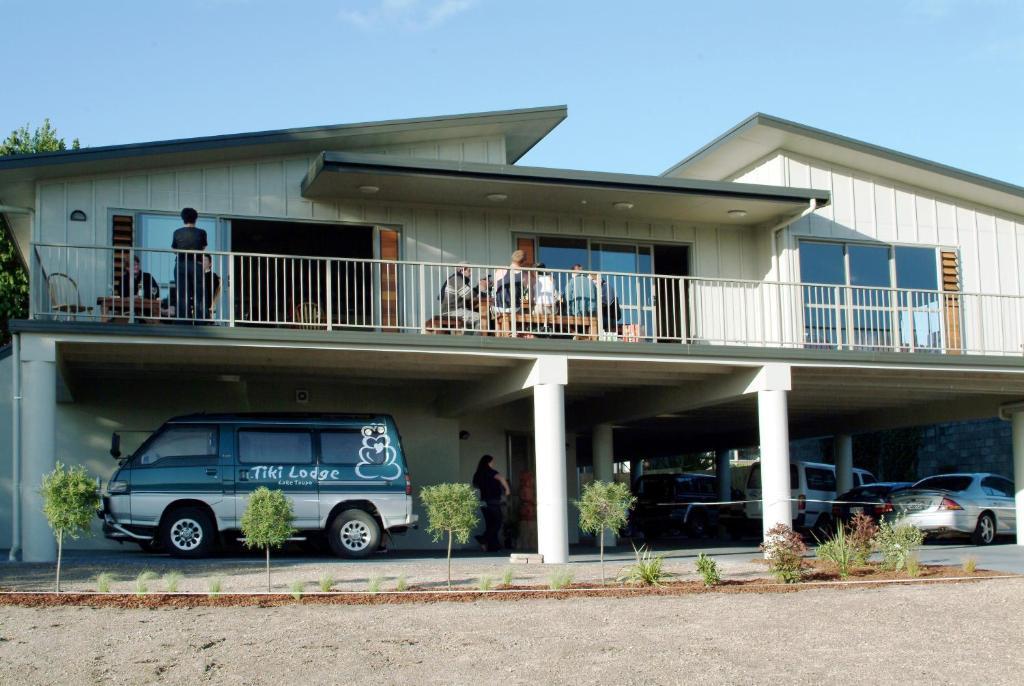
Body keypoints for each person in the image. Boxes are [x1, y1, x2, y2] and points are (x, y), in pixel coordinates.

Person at [171, 207, 208, 319]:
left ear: (183, 218)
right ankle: (200, 319)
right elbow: (203, 248)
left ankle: (183, 319)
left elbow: (174, 250)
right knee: (199, 292)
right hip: (196, 264)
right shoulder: (201, 232)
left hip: (181, 264)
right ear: (195, 218)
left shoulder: (177, 232)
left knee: (182, 293)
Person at [472, 454, 510, 552]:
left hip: (483, 502)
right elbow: (501, 479)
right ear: (488, 462)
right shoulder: (491, 472)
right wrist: (507, 490)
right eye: (492, 462)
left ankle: (492, 547)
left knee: (490, 524)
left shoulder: (478, 474)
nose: (493, 464)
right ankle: (483, 538)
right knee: (497, 523)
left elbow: (475, 486)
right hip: (493, 501)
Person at [439, 263, 482, 330]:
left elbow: (468, 295)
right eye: (469, 271)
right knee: (480, 317)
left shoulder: (458, 279)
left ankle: (468, 338)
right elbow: (468, 295)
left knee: (471, 319)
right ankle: (474, 339)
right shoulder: (456, 279)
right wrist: (479, 288)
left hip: (453, 310)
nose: (470, 274)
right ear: (462, 270)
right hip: (451, 311)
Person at [198, 254, 221, 321]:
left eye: (205, 260)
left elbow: (216, 292)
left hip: (208, 303)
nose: (203, 262)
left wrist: (213, 304)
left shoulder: (213, 276)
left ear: (210, 264)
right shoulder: (197, 276)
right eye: (202, 260)